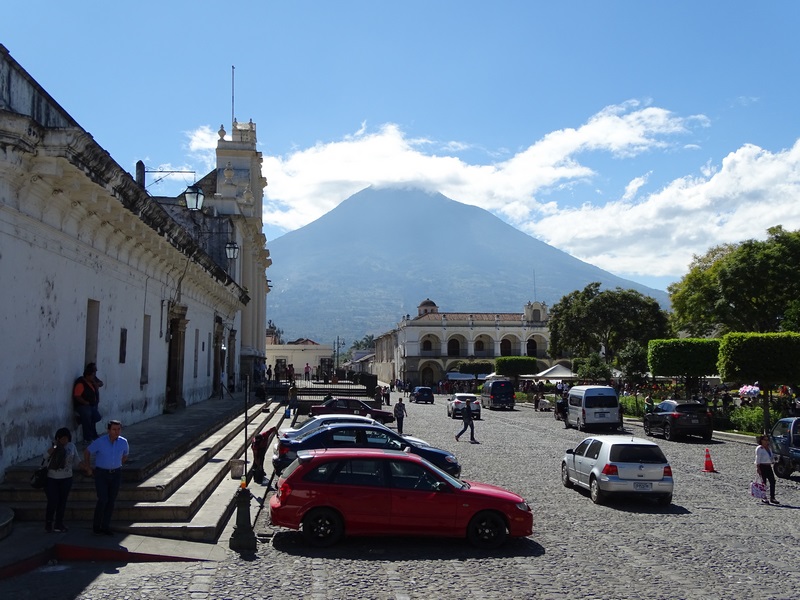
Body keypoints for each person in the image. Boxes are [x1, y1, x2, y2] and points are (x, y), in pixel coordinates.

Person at [84, 420, 129, 535]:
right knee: (103, 499)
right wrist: (88, 467)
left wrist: (117, 464)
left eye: (118, 429)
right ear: (108, 430)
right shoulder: (100, 442)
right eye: (114, 429)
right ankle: (96, 525)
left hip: (116, 473)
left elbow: (125, 455)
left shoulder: (123, 442)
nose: (116, 432)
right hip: (102, 474)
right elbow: (87, 451)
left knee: (111, 500)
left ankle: (105, 526)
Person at [44, 427, 81, 533]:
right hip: (53, 478)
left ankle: (59, 523)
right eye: (62, 438)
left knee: (62, 502)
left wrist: (84, 466)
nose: (64, 440)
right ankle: (48, 522)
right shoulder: (54, 446)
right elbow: (45, 456)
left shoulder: (71, 446)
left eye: (66, 438)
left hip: (66, 478)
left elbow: (76, 460)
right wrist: (55, 446)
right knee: (52, 501)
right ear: (58, 438)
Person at [73, 362, 103, 443]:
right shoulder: (81, 383)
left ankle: (92, 433)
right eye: (92, 375)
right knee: (87, 418)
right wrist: (85, 402)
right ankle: (88, 437)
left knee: (96, 417)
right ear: (87, 375)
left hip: (92, 405)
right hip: (83, 406)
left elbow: (101, 383)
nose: (94, 377)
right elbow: (77, 396)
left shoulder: (92, 381)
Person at [755, 434, 779, 505]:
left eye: (767, 440)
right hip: (762, 466)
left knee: (772, 481)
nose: (766, 441)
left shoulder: (769, 448)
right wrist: (758, 468)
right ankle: (763, 497)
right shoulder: (759, 448)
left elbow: (771, 457)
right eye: (765, 440)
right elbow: (757, 459)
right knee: (763, 483)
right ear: (761, 440)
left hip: (768, 466)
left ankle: (772, 497)